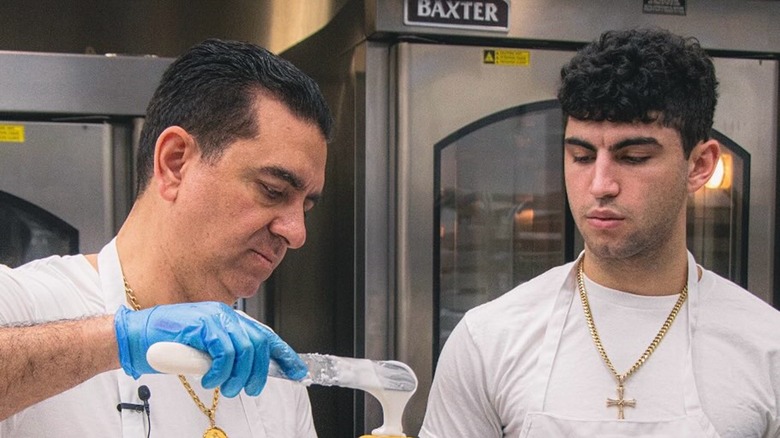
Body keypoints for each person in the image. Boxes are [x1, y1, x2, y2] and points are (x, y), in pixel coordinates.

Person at [419, 27, 780, 438]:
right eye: (582, 156)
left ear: (699, 166)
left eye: (634, 157)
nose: (600, 184)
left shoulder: (767, 349)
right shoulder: (489, 339)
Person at [0, 38, 333, 437]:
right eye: (272, 190)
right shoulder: (23, 304)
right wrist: (124, 339)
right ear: (175, 162)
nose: (295, 233)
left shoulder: (267, 365)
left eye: (305, 207)